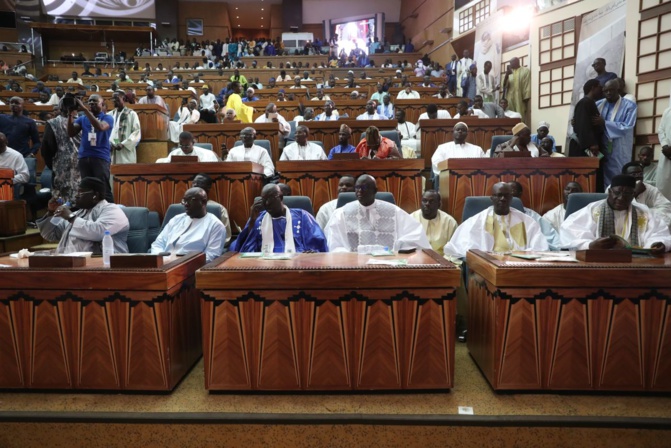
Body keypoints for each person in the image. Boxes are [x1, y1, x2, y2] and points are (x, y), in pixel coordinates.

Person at [561, 175, 671, 254]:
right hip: (596, 264)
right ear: (609, 192)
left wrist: (656, 244)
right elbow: (569, 229)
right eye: (617, 193)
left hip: (636, 264)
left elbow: (659, 233)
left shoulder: (644, 212)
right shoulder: (593, 210)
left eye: (627, 194)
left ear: (633, 195)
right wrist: (590, 245)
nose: (621, 198)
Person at [326, 175, 431, 252]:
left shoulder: (394, 211)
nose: (359, 192)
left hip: (388, 265)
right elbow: (333, 243)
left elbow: (415, 234)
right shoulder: (341, 213)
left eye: (364, 188)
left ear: (375, 190)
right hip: (353, 266)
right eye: (357, 188)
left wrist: (398, 247)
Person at [444, 182, 549, 258]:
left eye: (506, 196)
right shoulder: (476, 221)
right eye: (499, 195)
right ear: (492, 198)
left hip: (519, 266)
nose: (503, 199)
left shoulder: (527, 222)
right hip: (489, 267)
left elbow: (539, 247)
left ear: (511, 199)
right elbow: (463, 248)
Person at [37, 177, 129, 254]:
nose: (76, 196)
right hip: (71, 264)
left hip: (102, 264)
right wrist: (50, 212)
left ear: (95, 195)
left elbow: (100, 232)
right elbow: (50, 235)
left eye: (80, 193)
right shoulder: (79, 213)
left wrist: (71, 217)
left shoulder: (111, 210)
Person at [231, 183, 328, 253]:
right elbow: (245, 250)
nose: (267, 203)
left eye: (270, 198)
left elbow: (318, 244)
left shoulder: (302, 216)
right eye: (264, 199)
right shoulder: (258, 218)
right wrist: (252, 220)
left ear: (281, 197)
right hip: (264, 267)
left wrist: (312, 252)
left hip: (297, 265)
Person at [150, 187, 226, 262]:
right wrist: (160, 260)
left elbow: (211, 257)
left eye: (190, 200)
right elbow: (157, 244)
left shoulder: (216, 226)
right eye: (184, 200)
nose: (186, 204)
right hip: (162, 265)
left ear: (203, 202)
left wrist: (178, 262)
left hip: (188, 269)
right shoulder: (176, 219)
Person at [67, 95, 114, 202]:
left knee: (103, 188)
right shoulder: (82, 119)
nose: (91, 103)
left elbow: (100, 127)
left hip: (100, 157)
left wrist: (84, 109)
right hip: (84, 157)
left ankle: (111, 213)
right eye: (90, 101)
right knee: (87, 189)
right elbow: (71, 133)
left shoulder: (107, 118)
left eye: (95, 101)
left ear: (102, 104)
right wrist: (70, 114)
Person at [595, 79, 637, 189]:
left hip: (619, 148)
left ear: (618, 90)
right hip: (601, 148)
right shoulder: (598, 104)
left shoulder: (629, 106)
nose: (608, 93)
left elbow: (627, 126)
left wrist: (605, 123)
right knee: (600, 176)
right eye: (606, 90)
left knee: (619, 175)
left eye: (611, 90)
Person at [611, 162, 671, 231]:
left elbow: (666, 206)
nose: (638, 176)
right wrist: (635, 193)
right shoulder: (614, 189)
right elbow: (615, 210)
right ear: (624, 175)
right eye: (633, 174)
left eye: (640, 174)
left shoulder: (650, 189)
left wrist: (646, 214)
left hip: (647, 224)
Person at [41, 104, 81, 203]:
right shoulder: (53, 123)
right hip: (63, 166)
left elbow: (46, 149)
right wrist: (53, 164)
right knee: (62, 197)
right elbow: (46, 149)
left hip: (77, 167)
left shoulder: (84, 120)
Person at [508, 181, 561, 250]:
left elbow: (552, 239)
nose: (508, 194)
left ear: (520, 194)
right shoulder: (491, 215)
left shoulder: (531, 216)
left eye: (511, 190)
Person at [410, 190, 457, 256]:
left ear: (439, 205)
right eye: (424, 201)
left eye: (431, 201)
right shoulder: (411, 219)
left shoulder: (449, 222)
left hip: (442, 261)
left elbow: (454, 251)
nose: (427, 204)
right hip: (416, 260)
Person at [568, 79, 604, 164]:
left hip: (588, 145)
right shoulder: (585, 102)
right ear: (593, 88)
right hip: (585, 146)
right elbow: (583, 125)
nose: (601, 89)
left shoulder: (590, 102)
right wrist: (592, 143)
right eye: (599, 87)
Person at [108, 91, 140, 165]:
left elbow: (136, 132)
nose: (114, 100)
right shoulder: (109, 115)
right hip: (113, 149)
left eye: (116, 98)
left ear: (123, 98)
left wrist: (123, 144)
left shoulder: (132, 114)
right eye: (112, 99)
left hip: (126, 150)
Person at [502, 57, 531, 122]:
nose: (510, 64)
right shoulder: (508, 73)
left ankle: (521, 130)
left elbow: (527, 84)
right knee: (510, 115)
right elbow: (504, 86)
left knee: (520, 115)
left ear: (517, 62)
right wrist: (507, 75)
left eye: (511, 63)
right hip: (509, 98)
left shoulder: (525, 71)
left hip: (520, 98)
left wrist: (526, 98)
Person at [657, 105, 671, 201]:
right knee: (663, 186)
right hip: (667, 153)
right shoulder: (668, 111)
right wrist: (665, 145)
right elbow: (661, 129)